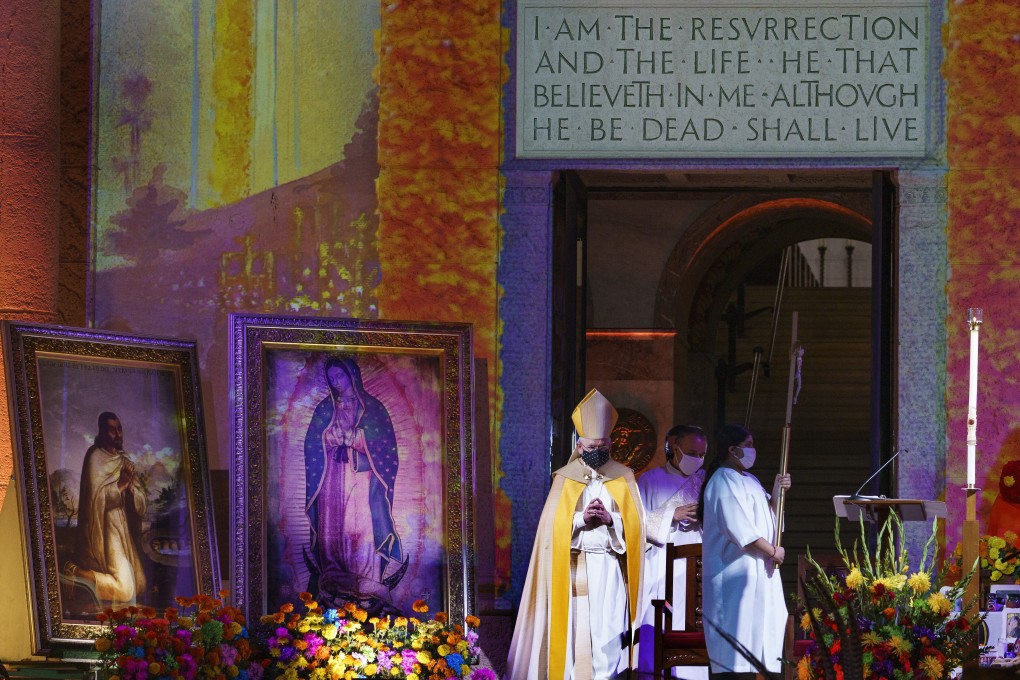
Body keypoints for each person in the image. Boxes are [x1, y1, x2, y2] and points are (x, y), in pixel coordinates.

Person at [507, 389, 646, 680]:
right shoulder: (564, 477)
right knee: (573, 638)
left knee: (607, 638)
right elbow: (549, 531)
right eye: (592, 445)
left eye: (603, 445)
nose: (598, 450)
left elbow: (637, 530)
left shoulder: (624, 476)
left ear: (610, 444)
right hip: (571, 568)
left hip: (609, 570)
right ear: (580, 446)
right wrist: (580, 521)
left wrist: (611, 521)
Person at [303, 355, 408, 613]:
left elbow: (386, 449)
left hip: (361, 479)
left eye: (340, 376)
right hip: (332, 479)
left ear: (352, 375)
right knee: (333, 527)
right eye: (332, 379)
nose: (336, 382)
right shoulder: (325, 409)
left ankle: (366, 581)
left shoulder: (373, 409)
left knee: (359, 526)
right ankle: (333, 577)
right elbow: (312, 444)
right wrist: (329, 436)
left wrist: (357, 438)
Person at [696, 423, 791, 679]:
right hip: (734, 575)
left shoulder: (750, 480)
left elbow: (770, 521)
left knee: (762, 645)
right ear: (732, 450)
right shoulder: (722, 481)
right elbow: (741, 531)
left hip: (761, 574)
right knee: (735, 649)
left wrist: (776, 493)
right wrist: (773, 551)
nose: (753, 450)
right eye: (748, 446)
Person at [636, 425, 709, 678]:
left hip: (698, 571)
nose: (697, 459)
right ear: (674, 448)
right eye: (691, 452)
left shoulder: (708, 482)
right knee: (658, 632)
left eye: (702, 454)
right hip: (660, 569)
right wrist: (671, 514)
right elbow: (635, 525)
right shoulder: (649, 480)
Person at [64, 411, 148, 605]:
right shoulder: (95, 457)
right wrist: (121, 485)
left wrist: (131, 488)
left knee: (141, 585)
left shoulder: (123, 460)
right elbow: (94, 500)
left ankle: (84, 576)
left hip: (122, 526)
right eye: (112, 430)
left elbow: (141, 504)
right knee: (126, 591)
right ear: (102, 432)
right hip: (104, 527)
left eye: (119, 429)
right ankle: (75, 572)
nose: (118, 434)